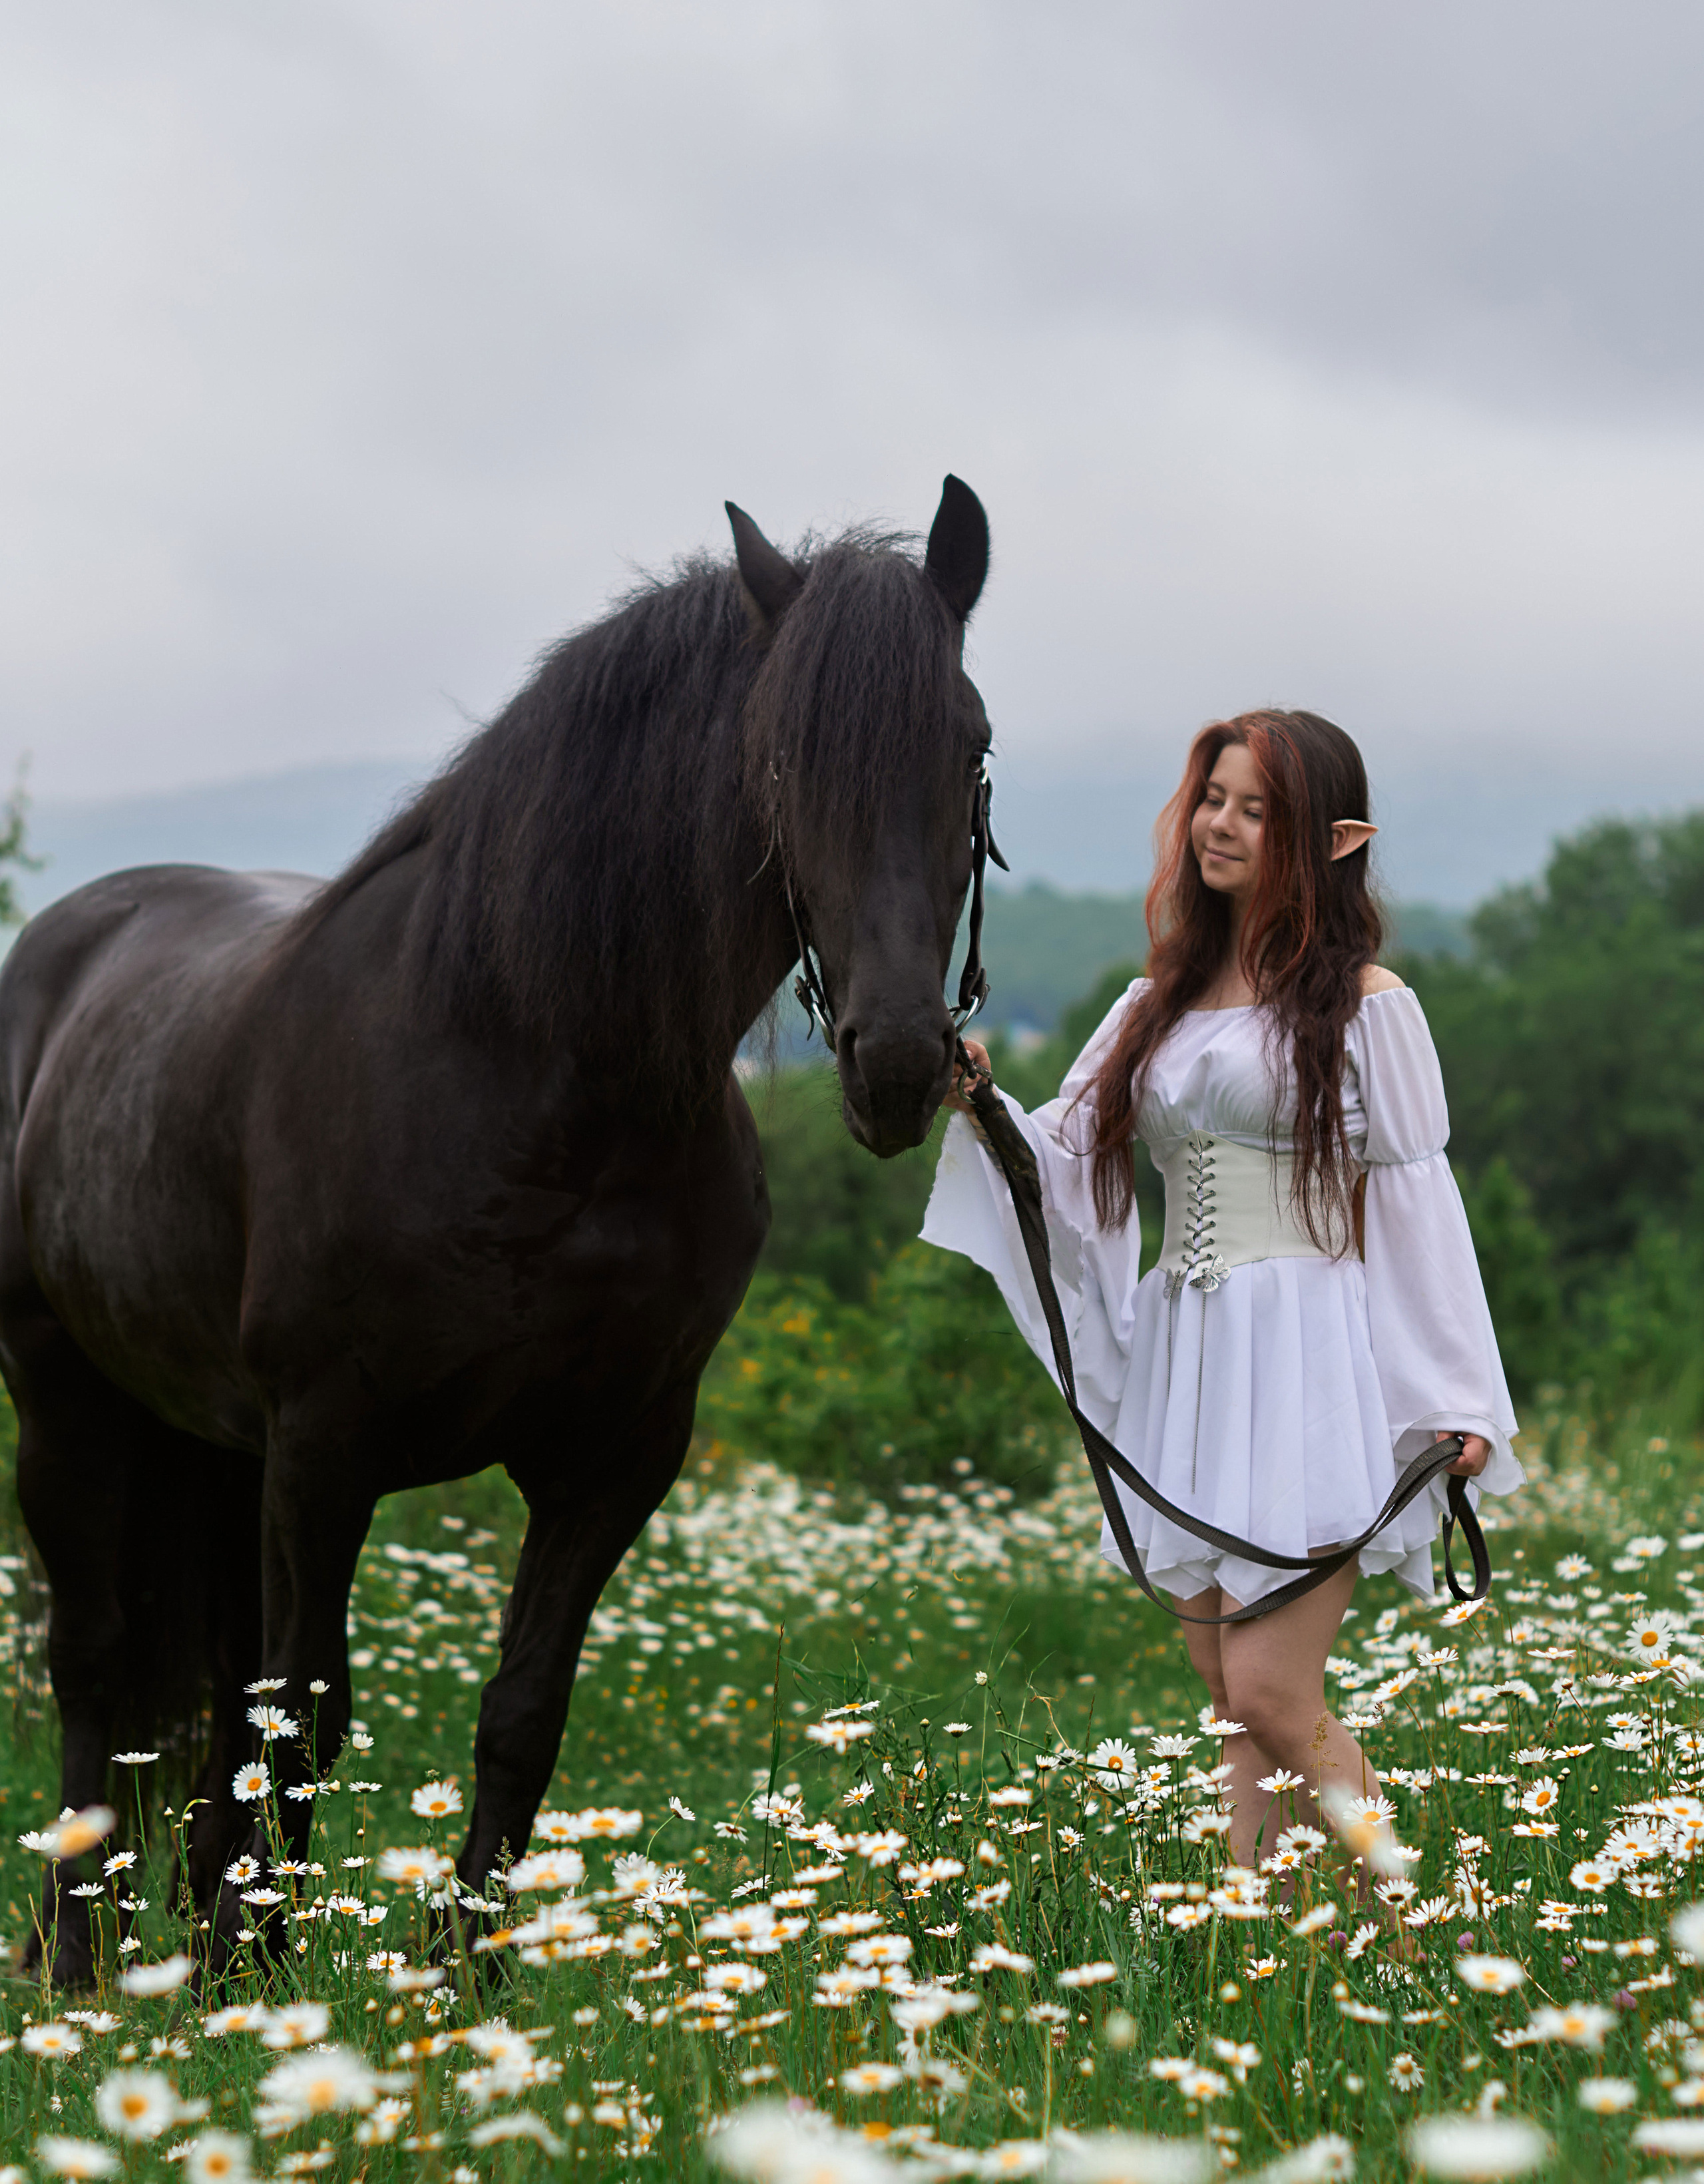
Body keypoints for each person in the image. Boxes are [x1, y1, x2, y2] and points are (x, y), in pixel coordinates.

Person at [923, 709, 1520, 1876]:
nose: (1223, 825)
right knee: (1228, 1692)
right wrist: (981, 1103)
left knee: (1269, 1686)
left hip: (1303, 1354)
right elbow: (1066, 1164)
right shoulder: (1159, 1000)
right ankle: (1261, 1947)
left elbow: (1415, 1202)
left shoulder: (1365, 1003)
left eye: (1257, 808)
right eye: (1214, 799)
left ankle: (1418, 1925)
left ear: (1328, 839)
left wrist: (1457, 1396)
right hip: (1188, 1357)